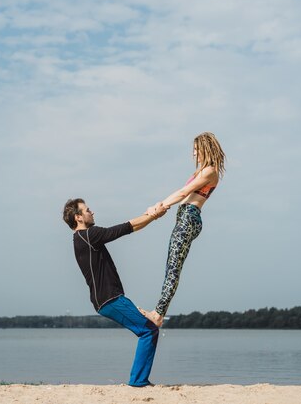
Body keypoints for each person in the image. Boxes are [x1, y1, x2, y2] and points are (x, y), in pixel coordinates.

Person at [62, 198, 168, 387]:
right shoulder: (88, 236)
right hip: (109, 300)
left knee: (149, 329)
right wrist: (153, 215)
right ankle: (138, 381)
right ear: (78, 217)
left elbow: (129, 227)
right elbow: (126, 228)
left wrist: (151, 217)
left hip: (110, 299)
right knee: (148, 331)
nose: (92, 212)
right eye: (87, 210)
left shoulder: (82, 239)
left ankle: (139, 380)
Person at [142, 132, 226, 327]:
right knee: (171, 265)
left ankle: (158, 314)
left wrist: (159, 206)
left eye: (196, 151)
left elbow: (183, 192)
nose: (193, 155)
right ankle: (159, 312)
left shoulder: (210, 172)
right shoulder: (202, 172)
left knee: (173, 267)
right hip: (185, 217)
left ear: (206, 150)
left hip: (189, 218)